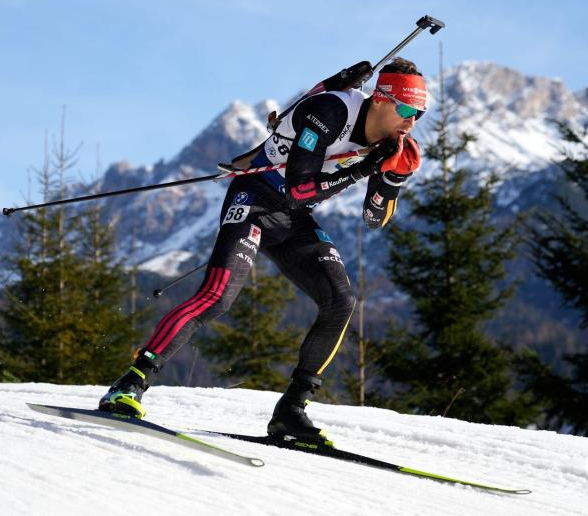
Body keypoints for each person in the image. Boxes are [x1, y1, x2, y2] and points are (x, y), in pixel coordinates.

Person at [98, 57, 426, 443]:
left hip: (293, 218)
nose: (411, 122)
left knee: (341, 301)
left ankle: (291, 411)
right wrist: (358, 170)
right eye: (406, 110)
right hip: (255, 199)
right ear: (380, 99)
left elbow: (374, 219)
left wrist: (392, 178)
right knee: (217, 296)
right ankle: (129, 384)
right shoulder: (331, 110)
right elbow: (299, 188)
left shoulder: (396, 144)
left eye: (419, 114)